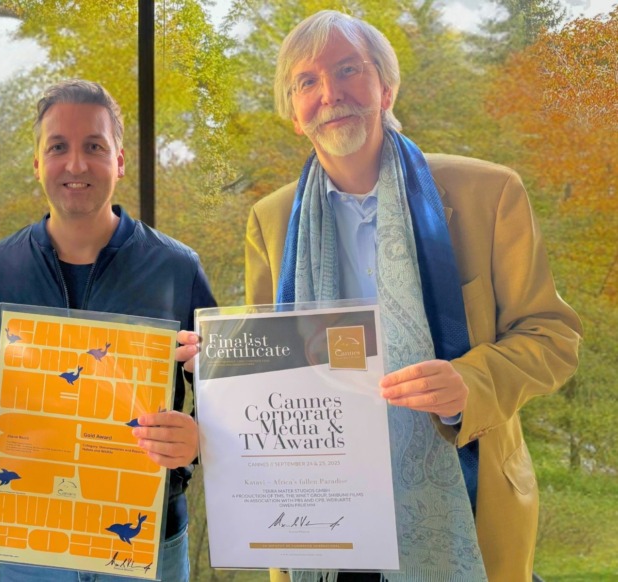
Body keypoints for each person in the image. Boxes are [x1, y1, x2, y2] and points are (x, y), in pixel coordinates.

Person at [178, 10, 581, 582]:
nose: (331, 93)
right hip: (326, 519)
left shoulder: (488, 193)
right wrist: (221, 371)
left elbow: (553, 335)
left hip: (465, 508)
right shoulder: (269, 221)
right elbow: (275, 367)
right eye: (307, 82)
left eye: (349, 71)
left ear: (385, 88)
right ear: (294, 113)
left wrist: (473, 381)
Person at [0, 80, 216, 582]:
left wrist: (199, 440)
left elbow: (224, 386)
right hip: (29, 545)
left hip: (149, 544)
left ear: (119, 160)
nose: (75, 164)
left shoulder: (177, 268)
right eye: (58, 147)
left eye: (94, 146)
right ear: (37, 163)